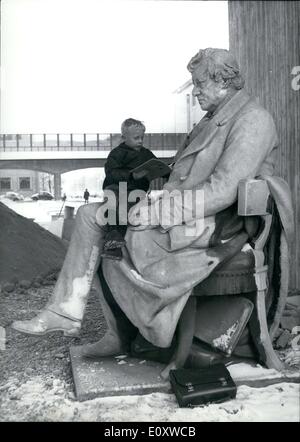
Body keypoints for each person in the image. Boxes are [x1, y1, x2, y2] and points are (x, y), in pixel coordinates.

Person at [11, 48, 281, 378]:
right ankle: (69, 313)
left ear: (222, 80)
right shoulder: (210, 121)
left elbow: (222, 190)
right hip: (185, 211)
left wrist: (159, 212)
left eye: (199, 83)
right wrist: (153, 190)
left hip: (218, 224)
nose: (195, 91)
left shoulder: (252, 119)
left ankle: (129, 332)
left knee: (119, 233)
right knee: (89, 214)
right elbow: (186, 175)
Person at [101, 118, 157, 261]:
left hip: (136, 191)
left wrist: (166, 170)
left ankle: (118, 241)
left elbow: (155, 164)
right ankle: (113, 241)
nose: (140, 141)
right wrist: (131, 175)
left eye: (142, 138)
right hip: (116, 187)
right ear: (124, 138)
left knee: (128, 206)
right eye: (136, 138)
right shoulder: (117, 153)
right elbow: (111, 173)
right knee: (113, 204)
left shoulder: (146, 153)